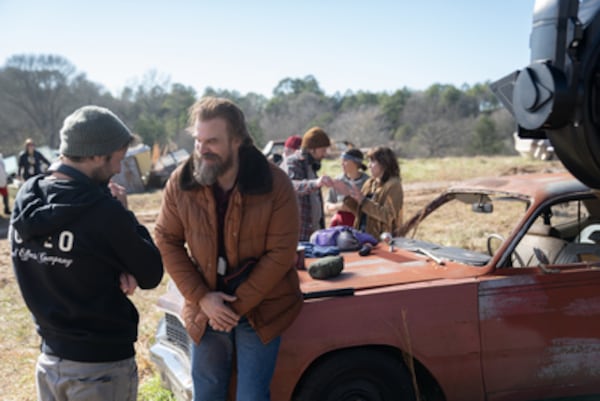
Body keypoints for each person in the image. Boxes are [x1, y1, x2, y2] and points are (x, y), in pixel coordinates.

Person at [10, 105, 164, 401]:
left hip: (50, 362)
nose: (119, 169)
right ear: (95, 154)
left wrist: (115, 261)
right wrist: (125, 215)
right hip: (100, 367)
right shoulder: (105, 210)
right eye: (117, 159)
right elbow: (151, 272)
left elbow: (83, 257)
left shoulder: (28, 197)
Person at [154, 97, 303, 401]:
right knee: (206, 392)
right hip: (205, 303)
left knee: (251, 396)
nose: (202, 149)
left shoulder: (275, 184)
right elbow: (166, 238)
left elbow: (281, 254)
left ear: (237, 140)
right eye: (198, 140)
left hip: (262, 305)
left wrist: (231, 309)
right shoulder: (181, 182)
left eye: (212, 141)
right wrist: (202, 298)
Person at [336, 146, 404, 238]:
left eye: (372, 161)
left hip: (382, 240)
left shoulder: (394, 185)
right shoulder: (370, 183)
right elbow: (360, 212)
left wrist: (363, 201)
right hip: (363, 236)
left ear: (384, 164)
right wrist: (348, 196)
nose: (368, 165)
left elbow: (388, 216)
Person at [282, 126, 334, 241]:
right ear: (312, 149)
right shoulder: (292, 162)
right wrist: (315, 183)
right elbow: (292, 186)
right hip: (298, 232)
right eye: (323, 150)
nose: (324, 154)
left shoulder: (312, 166)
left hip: (314, 230)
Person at [325, 148, 369, 227]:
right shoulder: (338, 181)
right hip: (340, 225)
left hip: (361, 225)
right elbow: (327, 205)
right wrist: (338, 206)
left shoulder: (367, 182)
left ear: (356, 163)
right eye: (341, 161)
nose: (342, 164)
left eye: (345, 161)